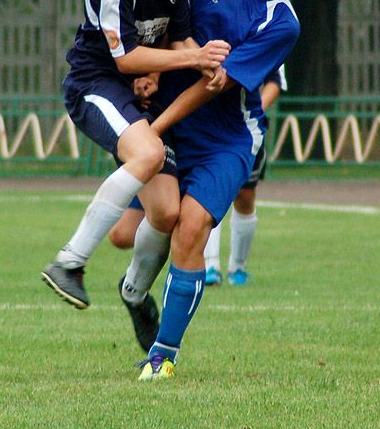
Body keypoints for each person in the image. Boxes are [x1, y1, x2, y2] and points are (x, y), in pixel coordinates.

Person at [119, 0, 323, 380]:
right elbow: (167, 23)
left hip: (224, 140)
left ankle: (162, 357)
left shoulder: (281, 22)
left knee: (191, 229)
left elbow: (214, 85)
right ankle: (134, 294)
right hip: (166, 119)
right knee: (125, 236)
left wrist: (153, 129)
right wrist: (149, 75)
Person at [40, 0, 231, 310]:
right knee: (148, 154)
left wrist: (204, 64)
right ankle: (68, 263)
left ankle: (135, 293)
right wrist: (191, 58)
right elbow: (124, 59)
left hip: (138, 93)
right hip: (95, 84)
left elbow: (178, 37)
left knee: (165, 213)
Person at [107, 67, 285, 289]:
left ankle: (229, 267)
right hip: (177, 131)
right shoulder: (179, 48)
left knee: (233, 198)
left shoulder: (259, 43)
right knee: (122, 235)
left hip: (232, 133)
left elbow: (274, 81)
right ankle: (144, 275)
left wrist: (254, 110)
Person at [204, 66, 285, 286]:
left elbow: (275, 81)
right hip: (208, 125)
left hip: (246, 130)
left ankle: (237, 267)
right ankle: (210, 265)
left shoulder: (266, 41)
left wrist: (254, 110)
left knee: (245, 196)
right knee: (209, 191)